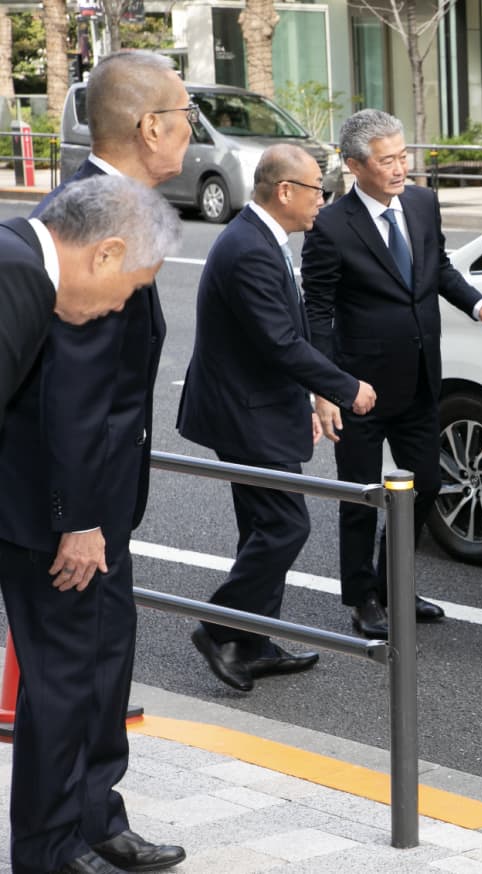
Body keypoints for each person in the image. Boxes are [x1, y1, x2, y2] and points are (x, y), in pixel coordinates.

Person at [0, 49, 191, 874]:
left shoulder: (123, 208)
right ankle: (48, 847)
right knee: (65, 678)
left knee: (105, 665)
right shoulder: (81, 223)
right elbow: (67, 396)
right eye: (185, 115)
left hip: (104, 504)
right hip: (58, 512)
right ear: (153, 126)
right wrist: (75, 519)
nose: (190, 130)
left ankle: (95, 815)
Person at [302, 109, 482, 639]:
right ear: (356, 165)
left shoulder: (422, 203)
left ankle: (393, 582)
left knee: (426, 483)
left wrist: (478, 304)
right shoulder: (331, 226)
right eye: (388, 161)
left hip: (422, 376)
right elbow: (317, 311)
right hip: (359, 387)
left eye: (404, 156)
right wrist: (327, 387)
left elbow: (439, 267)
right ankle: (361, 598)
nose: (401, 169)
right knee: (361, 497)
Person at [178, 145, 378, 692]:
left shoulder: (262, 238)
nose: (325, 198)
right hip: (245, 412)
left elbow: (280, 337)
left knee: (262, 526)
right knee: (286, 524)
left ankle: (254, 641)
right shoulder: (249, 248)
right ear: (286, 191)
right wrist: (343, 386)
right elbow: (281, 343)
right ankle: (221, 629)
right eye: (318, 188)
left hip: (254, 405)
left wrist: (313, 397)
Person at [0, 176, 173, 432]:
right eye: (134, 286)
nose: (119, 306)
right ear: (106, 254)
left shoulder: (14, 249)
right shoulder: (21, 279)